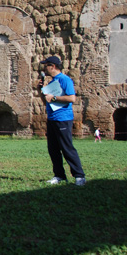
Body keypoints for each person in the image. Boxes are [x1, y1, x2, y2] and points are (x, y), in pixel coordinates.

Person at [38, 56, 86, 186]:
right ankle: (59, 175)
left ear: (52, 66)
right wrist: (41, 91)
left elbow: (71, 98)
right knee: (53, 149)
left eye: (46, 65)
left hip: (63, 119)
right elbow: (47, 102)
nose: (44, 68)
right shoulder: (52, 82)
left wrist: (53, 98)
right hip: (52, 118)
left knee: (67, 148)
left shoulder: (65, 80)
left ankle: (79, 176)